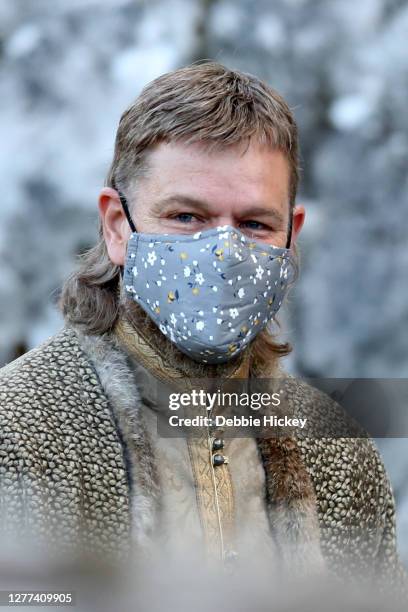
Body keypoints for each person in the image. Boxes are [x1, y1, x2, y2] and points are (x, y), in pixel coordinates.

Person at [0, 62, 405, 588]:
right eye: (186, 217)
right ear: (118, 225)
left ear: (291, 235)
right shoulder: (19, 430)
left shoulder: (335, 448)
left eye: (255, 224)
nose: (223, 251)